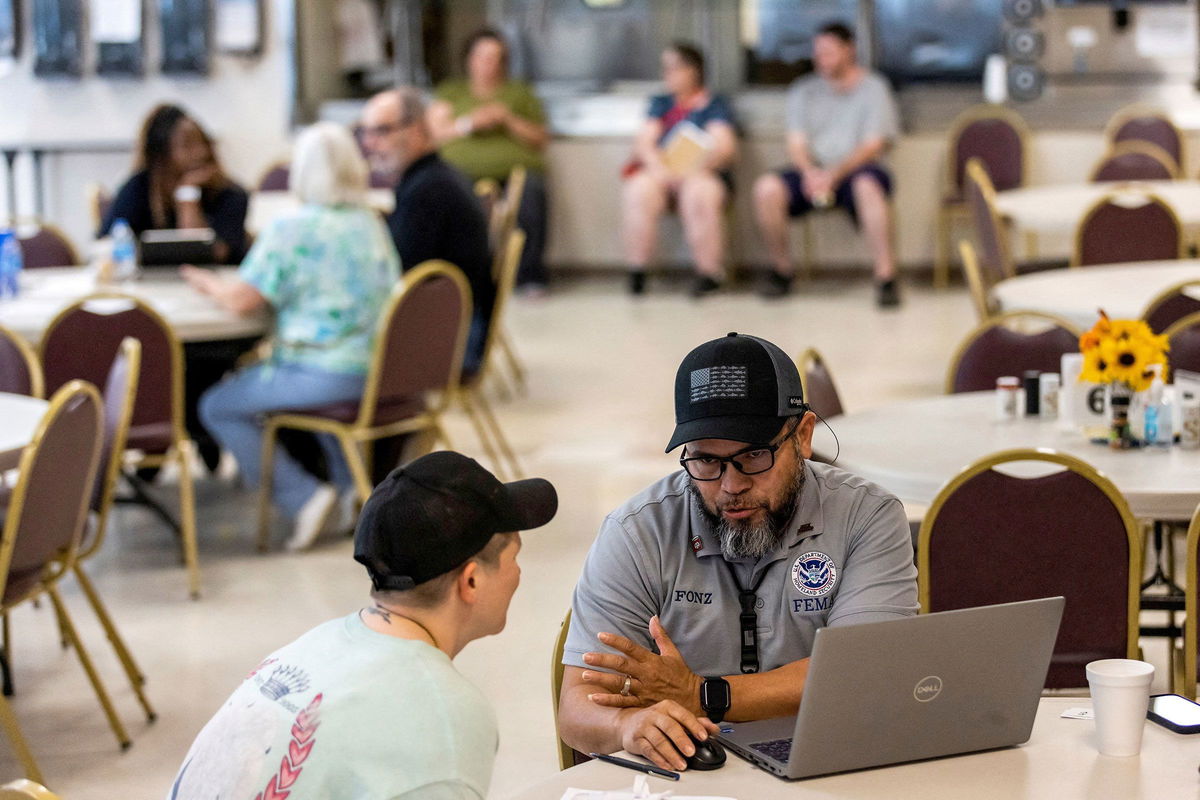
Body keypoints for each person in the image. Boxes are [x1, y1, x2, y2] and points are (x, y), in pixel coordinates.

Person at [557, 332, 917, 771]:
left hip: (831, 764)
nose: (731, 486)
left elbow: (864, 674)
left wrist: (700, 695)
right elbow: (576, 711)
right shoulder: (636, 533)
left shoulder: (867, 516)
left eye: (754, 456)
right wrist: (625, 728)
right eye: (706, 461)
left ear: (803, 436)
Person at [165, 451, 558, 799]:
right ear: (470, 581)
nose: (519, 573)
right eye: (514, 556)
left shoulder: (316, 645)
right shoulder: (444, 716)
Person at [183, 122, 400, 551]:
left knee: (216, 406)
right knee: (313, 400)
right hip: (377, 368)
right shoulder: (370, 222)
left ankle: (301, 496)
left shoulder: (290, 229)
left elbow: (244, 300)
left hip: (322, 368)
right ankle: (346, 491)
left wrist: (210, 285)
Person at [752, 22, 901, 306]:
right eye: (818, 53)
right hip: (814, 170)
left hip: (856, 169)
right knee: (766, 188)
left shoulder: (874, 88)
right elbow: (796, 143)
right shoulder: (803, 90)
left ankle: (886, 277)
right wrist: (810, 173)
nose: (822, 59)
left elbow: (873, 144)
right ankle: (781, 271)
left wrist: (835, 174)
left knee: (867, 185)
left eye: (830, 52)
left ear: (850, 50)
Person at [361, 87, 494, 374]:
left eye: (382, 131)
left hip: (449, 342)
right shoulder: (433, 177)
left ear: (418, 130)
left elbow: (398, 277)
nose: (370, 144)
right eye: (365, 133)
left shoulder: (429, 192)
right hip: (456, 325)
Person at [427, 28, 550, 293]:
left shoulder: (519, 94)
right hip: (461, 172)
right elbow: (433, 133)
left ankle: (529, 277)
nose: (488, 64)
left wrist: (507, 119)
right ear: (469, 59)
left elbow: (540, 138)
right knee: (442, 194)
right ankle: (456, 275)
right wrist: (470, 123)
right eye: (482, 57)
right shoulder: (452, 92)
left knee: (531, 193)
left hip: (514, 172)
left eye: (495, 58)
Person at [621, 42, 738, 298]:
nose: (668, 75)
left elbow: (724, 146)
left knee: (699, 192)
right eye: (665, 69)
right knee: (640, 188)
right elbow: (645, 143)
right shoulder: (660, 103)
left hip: (702, 173)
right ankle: (637, 270)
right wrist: (660, 170)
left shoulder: (715, 104)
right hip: (664, 173)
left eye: (674, 68)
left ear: (694, 70)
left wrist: (691, 171)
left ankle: (709, 273)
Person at [101, 104, 249, 264]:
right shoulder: (138, 189)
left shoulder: (230, 194)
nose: (201, 152)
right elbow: (106, 243)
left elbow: (207, 255)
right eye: (187, 145)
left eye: (202, 143)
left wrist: (188, 195)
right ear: (161, 156)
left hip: (215, 284)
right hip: (148, 283)